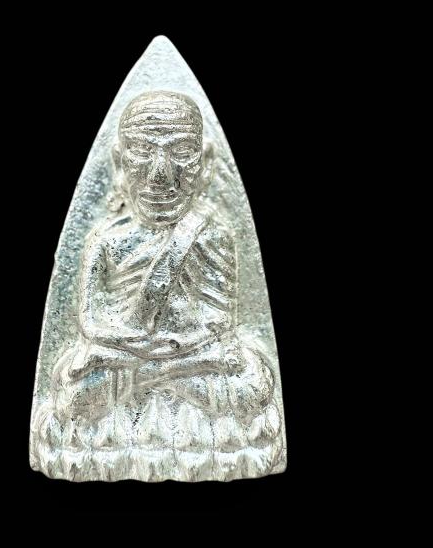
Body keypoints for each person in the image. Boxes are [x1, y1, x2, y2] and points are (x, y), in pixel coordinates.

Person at [53, 91, 274, 423]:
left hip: (189, 355)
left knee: (253, 385)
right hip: (136, 357)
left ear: (205, 161)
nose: (160, 175)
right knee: (75, 395)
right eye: (142, 152)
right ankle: (160, 376)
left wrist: (174, 349)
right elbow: (90, 323)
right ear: (119, 162)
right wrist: (137, 345)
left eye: (182, 153)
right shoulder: (106, 239)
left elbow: (221, 324)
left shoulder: (210, 234)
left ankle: (153, 377)